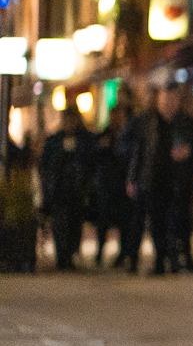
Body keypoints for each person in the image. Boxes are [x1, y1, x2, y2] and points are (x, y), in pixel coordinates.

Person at [127, 84, 185, 275]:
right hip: (149, 179)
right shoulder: (147, 122)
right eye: (164, 99)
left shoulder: (181, 123)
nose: (168, 103)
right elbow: (139, 151)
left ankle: (165, 260)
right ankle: (134, 259)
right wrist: (132, 177)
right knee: (142, 222)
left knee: (165, 222)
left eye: (171, 99)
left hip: (170, 181)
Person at [40, 107, 94, 270]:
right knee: (60, 224)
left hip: (76, 190)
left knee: (74, 224)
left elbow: (90, 163)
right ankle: (61, 257)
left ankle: (70, 255)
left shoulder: (84, 140)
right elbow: (46, 165)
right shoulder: (54, 141)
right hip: (59, 189)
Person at [165, 89, 193, 273]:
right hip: (167, 175)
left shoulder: (190, 123)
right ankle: (173, 254)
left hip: (185, 176)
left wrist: (190, 152)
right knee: (171, 216)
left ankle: (185, 254)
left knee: (183, 215)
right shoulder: (163, 122)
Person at [92, 99, 134, 267]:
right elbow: (95, 157)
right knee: (104, 220)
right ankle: (100, 250)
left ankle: (123, 253)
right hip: (107, 184)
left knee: (124, 221)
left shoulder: (128, 136)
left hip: (123, 184)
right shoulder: (104, 135)